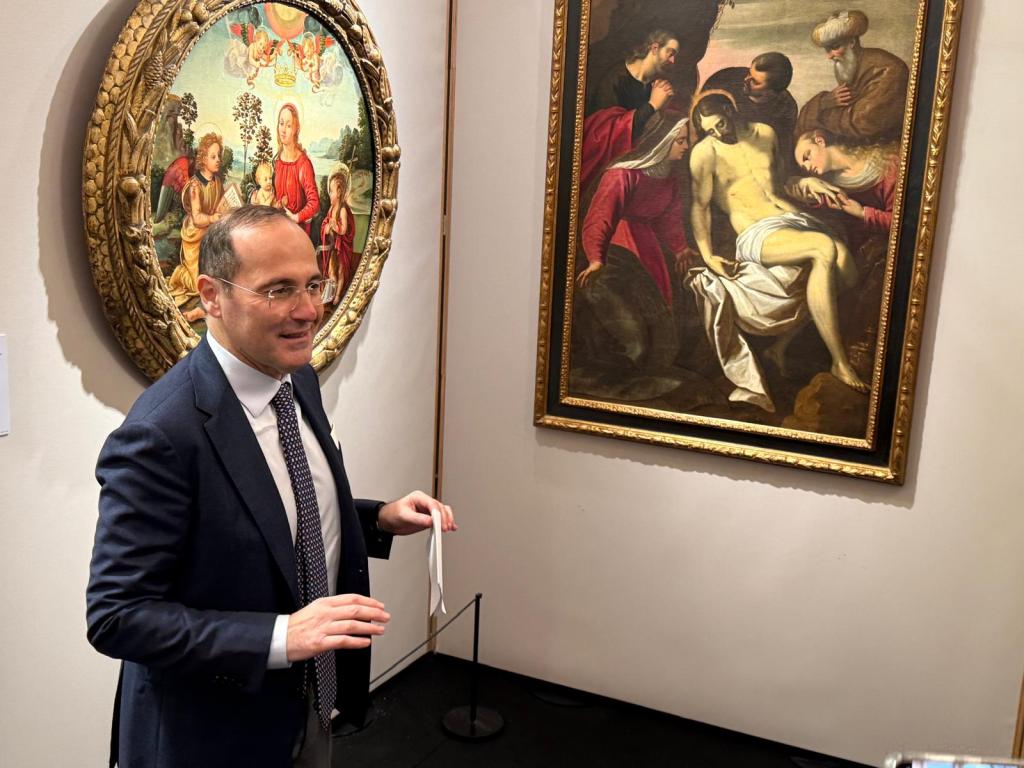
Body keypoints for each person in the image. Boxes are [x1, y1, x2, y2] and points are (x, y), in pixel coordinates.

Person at [87, 205, 456, 767]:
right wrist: (282, 637)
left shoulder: (294, 375)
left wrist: (378, 518)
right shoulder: (160, 435)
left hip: (304, 708)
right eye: (279, 290)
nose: (308, 310)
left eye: (313, 284)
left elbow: (268, 512)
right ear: (211, 295)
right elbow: (118, 615)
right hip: (213, 738)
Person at [686, 92, 867, 412]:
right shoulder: (704, 153)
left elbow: (782, 181)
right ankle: (839, 363)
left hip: (791, 219)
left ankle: (780, 348)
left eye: (720, 124)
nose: (717, 132)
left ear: (731, 109)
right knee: (823, 249)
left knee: (847, 271)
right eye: (709, 129)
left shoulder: (765, 133)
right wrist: (709, 255)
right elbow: (700, 208)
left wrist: (811, 184)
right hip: (756, 233)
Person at [572, 118, 695, 401]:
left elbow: (668, 218)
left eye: (686, 140)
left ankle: (647, 381)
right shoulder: (622, 175)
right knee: (633, 334)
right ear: (661, 143)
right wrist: (595, 259)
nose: (686, 146)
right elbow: (600, 218)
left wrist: (680, 249)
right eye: (681, 141)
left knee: (664, 326)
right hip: (614, 254)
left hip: (647, 249)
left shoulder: (670, 176)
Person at [581, 29, 681, 193]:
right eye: (670, 53)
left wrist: (661, 107)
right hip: (605, 166)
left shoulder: (654, 85)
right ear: (654, 48)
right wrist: (652, 105)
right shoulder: (616, 79)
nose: (673, 61)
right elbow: (605, 132)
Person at [796, 10, 910, 145]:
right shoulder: (850, 67)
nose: (829, 56)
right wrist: (823, 103)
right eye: (827, 50)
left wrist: (819, 113)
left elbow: (861, 121)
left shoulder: (888, 68)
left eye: (834, 47)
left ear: (851, 42)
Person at [702, 52, 798, 172]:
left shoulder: (785, 109)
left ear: (772, 92)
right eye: (749, 73)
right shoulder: (724, 81)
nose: (746, 79)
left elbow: (779, 154)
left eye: (755, 82)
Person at [167, 131, 225, 323]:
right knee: (195, 284)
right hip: (195, 236)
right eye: (213, 156)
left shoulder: (217, 182)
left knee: (218, 275)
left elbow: (219, 206)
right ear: (203, 159)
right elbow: (198, 218)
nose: (217, 160)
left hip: (211, 234)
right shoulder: (194, 186)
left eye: (219, 156)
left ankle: (204, 309)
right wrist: (215, 217)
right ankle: (180, 273)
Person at [274, 103, 321, 237]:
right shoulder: (277, 162)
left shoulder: (303, 164)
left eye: (288, 126)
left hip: (297, 232)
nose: (283, 130)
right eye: (281, 123)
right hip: (278, 226)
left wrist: (296, 217)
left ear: (296, 129)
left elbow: (314, 203)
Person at [319, 166, 356, 297]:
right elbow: (326, 222)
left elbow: (344, 229)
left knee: (340, 271)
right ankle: (329, 293)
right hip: (333, 246)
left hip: (341, 247)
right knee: (330, 270)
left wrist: (335, 227)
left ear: (339, 192)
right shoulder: (331, 208)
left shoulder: (342, 210)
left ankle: (338, 295)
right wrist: (327, 227)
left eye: (332, 191)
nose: (330, 194)